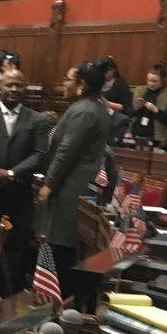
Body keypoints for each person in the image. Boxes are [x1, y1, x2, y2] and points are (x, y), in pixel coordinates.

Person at [39, 60, 113, 282]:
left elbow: (66, 152)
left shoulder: (83, 111)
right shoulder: (94, 107)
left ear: (82, 84)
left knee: (61, 249)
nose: (64, 84)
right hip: (77, 186)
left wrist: (48, 184)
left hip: (70, 189)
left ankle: (56, 303)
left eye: (67, 79)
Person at [0, 67, 50, 291]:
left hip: (19, 196)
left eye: (19, 85)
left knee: (16, 251)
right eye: (9, 84)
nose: (14, 89)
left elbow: (41, 155)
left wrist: (11, 173)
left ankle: (10, 298)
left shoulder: (37, 119)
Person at [130, 62, 167, 149]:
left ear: (162, 80)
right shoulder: (139, 90)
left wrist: (155, 110)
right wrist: (136, 107)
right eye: (148, 80)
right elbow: (129, 112)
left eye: (154, 81)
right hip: (137, 132)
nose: (151, 84)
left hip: (156, 136)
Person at [99, 57, 132, 140]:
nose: (103, 75)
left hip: (115, 121)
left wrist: (106, 103)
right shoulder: (98, 82)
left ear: (113, 70)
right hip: (99, 118)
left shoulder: (121, 84)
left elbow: (126, 107)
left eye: (105, 72)